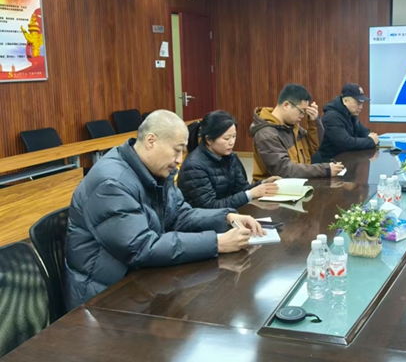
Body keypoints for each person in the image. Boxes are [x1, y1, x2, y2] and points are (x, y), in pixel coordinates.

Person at [64, 110, 264, 311]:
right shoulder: (111, 183)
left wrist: (226, 216)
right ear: (151, 141)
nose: (180, 160)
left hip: (139, 281)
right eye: (177, 150)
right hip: (102, 298)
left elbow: (180, 215)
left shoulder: (156, 170)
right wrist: (216, 243)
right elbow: (141, 248)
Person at [178, 111, 281, 209]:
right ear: (209, 140)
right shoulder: (194, 166)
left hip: (229, 213)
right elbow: (210, 206)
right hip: (206, 219)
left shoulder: (230, 156)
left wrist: (263, 184)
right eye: (227, 138)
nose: (232, 142)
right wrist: (250, 194)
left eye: (234, 136)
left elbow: (241, 189)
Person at [250, 83, 345, 181]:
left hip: (297, 183)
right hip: (275, 188)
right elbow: (284, 170)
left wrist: (314, 122)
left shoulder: (291, 126)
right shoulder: (266, 134)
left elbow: (312, 147)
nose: (302, 116)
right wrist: (325, 170)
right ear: (286, 105)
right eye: (301, 111)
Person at [313, 83, 379, 163]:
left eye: (362, 103)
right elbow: (346, 143)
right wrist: (371, 141)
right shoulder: (332, 117)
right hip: (328, 163)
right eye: (358, 103)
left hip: (345, 161)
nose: (361, 107)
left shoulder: (350, 114)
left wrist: (373, 139)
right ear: (345, 101)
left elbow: (365, 132)